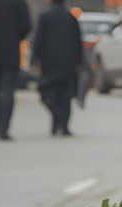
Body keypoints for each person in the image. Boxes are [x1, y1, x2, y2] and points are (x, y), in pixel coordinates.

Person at [31, 0, 83, 137]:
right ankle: (63, 125)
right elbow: (78, 41)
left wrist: (34, 58)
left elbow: (38, 38)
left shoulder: (45, 17)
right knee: (65, 96)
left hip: (49, 62)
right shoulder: (70, 17)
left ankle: (57, 119)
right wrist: (80, 62)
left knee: (47, 93)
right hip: (68, 63)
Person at [0, 0, 31, 141]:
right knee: (8, 89)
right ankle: (4, 127)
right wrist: (15, 36)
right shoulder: (19, 2)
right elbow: (27, 25)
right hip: (10, 50)